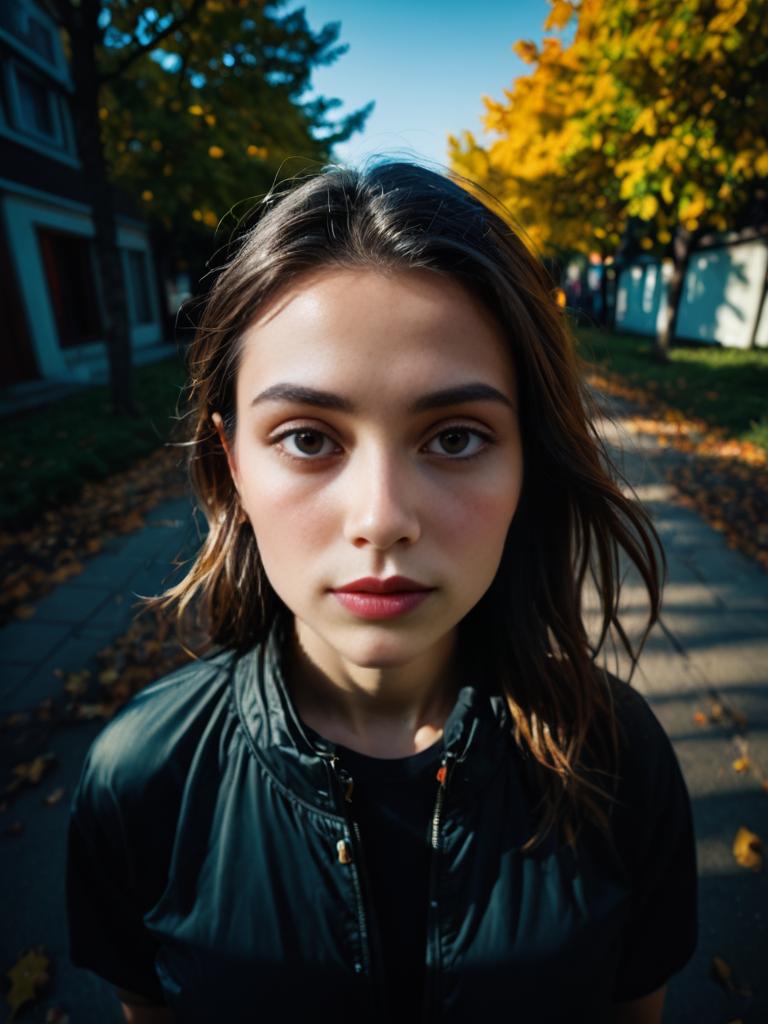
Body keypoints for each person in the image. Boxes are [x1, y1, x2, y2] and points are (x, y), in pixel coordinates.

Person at [65, 160, 698, 1024]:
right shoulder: (141, 778)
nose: (382, 518)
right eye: (307, 438)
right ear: (229, 464)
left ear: (528, 463)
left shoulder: (619, 759)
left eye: (456, 438)